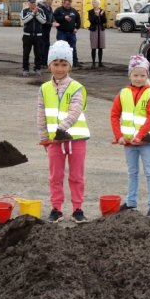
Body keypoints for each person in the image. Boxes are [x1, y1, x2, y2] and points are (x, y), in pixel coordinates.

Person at [38, 40, 90, 222]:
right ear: (49, 65)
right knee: (55, 176)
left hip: (76, 139)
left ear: (70, 66)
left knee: (76, 176)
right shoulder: (44, 89)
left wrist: (63, 127)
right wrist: (44, 137)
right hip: (54, 141)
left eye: (64, 64)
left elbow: (76, 110)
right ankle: (56, 208)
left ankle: (77, 208)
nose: (59, 68)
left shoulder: (77, 87)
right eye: (56, 64)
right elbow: (41, 114)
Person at [110, 55, 150, 217]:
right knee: (132, 172)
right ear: (130, 75)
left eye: (142, 75)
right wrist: (119, 136)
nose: (139, 78)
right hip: (129, 142)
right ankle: (131, 202)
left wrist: (140, 135)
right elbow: (114, 115)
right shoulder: (123, 93)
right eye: (135, 75)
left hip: (147, 141)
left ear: (147, 76)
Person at [20, 0, 48, 77]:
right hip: (27, 35)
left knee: (38, 53)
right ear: (28, 3)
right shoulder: (24, 11)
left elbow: (43, 21)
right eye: (31, 2)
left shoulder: (41, 10)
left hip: (38, 36)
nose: (32, 4)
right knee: (26, 53)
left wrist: (37, 14)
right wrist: (32, 14)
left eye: (34, 2)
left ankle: (37, 68)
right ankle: (25, 69)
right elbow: (24, 20)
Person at [53, 0, 83, 69]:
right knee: (61, 48)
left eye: (69, 4)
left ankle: (75, 62)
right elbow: (54, 18)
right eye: (66, 4)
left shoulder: (73, 11)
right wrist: (64, 18)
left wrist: (77, 28)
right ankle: (62, 62)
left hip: (71, 33)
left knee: (73, 47)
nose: (67, 5)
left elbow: (78, 20)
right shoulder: (58, 10)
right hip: (61, 32)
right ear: (63, 3)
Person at [86, 0, 108, 68]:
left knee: (100, 46)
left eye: (95, 2)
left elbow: (104, 21)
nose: (93, 3)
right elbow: (92, 21)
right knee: (94, 47)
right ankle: (93, 63)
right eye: (93, 2)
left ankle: (100, 63)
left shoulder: (102, 11)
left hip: (101, 29)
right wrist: (97, 15)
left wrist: (101, 15)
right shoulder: (90, 12)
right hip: (94, 29)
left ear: (98, 3)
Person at [38, 0, 56, 71]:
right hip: (41, 30)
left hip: (47, 30)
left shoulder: (49, 8)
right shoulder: (40, 8)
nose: (51, 1)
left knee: (47, 45)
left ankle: (45, 61)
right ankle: (41, 62)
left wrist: (54, 21)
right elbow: (42, 21)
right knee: (42, 46)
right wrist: (51, 24)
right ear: (45, 0)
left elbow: (52, 17)